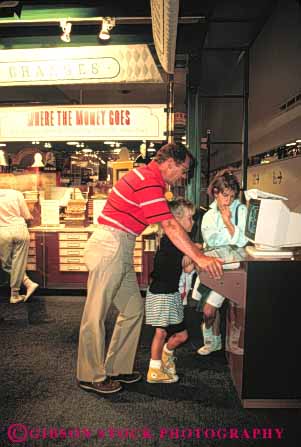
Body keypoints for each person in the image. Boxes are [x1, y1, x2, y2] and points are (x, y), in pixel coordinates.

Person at [77, 142, 224, 395]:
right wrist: (199, 257)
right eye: (184, 170)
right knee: (95, 315)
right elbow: (169, 223)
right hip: (110, 243)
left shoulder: (152, 180)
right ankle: (90, 375)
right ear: (170, 163)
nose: (184, 176)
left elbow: (165, 221)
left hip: (122, 244)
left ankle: (117, 368)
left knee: (133, 310)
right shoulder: (148, 178)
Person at [195, 169, 248, 355]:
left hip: (232, 268)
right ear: (216, 192)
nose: (228, 201)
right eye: (225, 195)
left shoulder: (241, 210)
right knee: (207, 309)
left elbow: (242, 241)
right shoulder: (208, 214)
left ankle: (215, 341)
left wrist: (227, 223)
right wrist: (231, 235)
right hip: (212, 264)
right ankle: (213, 339)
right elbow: (211, 241)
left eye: (232, 196)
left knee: (211, 308)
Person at [145, 198, 195, 384]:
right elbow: (186, 261)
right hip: (162, 293)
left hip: (170, 293)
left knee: (180, 335)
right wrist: (196, 252)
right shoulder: (171, 242)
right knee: (161, 332)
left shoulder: (175, 243)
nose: (193, 222)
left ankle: (165, 356)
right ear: (177, 221)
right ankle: (155, 370)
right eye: (190, 218)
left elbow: (186, 267)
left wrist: (194, 254)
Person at [0, 187, 39, 304]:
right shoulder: (17, 194)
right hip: (19, 229)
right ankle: (20, 290)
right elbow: (27, 215)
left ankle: (19, 292)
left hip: (2, 231)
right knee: (19, 262)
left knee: (7, 264)